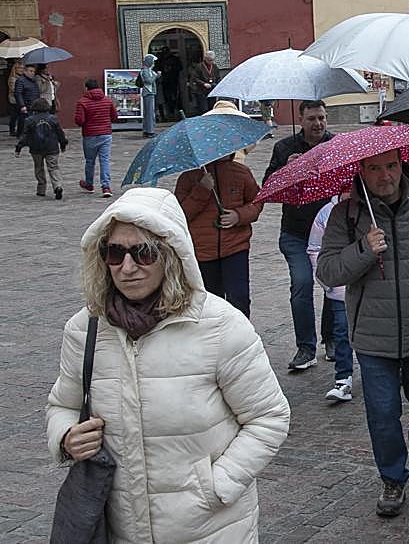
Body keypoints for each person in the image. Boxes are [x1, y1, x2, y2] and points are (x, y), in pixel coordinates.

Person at [46, 188, 290, 542]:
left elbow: (269, 417)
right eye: (115, 253)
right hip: (121, 528)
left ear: (170, 254)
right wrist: (66, 436)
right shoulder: (85, 329)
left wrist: (217, 486)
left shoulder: (221, 326)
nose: (127, 268)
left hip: (211, 530)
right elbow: (63, 405)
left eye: (142, 253)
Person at [316, 149, 409, 517]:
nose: (385, 176)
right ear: (361, 171)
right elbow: (328, 272)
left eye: (392, 166)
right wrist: (363, 250)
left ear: (403, 165)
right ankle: (392, 477)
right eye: (375, 168)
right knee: (383, 416)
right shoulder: (347, 215)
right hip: (371, 336)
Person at [264, 99, 335, 371]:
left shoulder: (334, 146)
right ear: (301, 120)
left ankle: (331, 340)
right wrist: (288, 170)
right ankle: (305, 347)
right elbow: (268, 188)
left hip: (330, 232)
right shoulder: (284, 148)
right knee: (302, 285)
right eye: (312, 119)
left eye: (322, 118)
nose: (318, 123)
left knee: (333, 287)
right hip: (295, 232)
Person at [175, 155, 264, 318]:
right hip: (202, 251)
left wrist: (239, 215)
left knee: (239, 297)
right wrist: (202, 190)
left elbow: (256, 201)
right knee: (210, 300)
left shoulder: (240, 173)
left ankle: (240, 336)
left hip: (235, 247)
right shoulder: (188, 178)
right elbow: (181, 214)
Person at [309, 195, 356, 403]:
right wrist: (329, 281)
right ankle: (343, 376)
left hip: (368, 287)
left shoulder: (371, 210)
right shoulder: (327, 213)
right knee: (342, 331)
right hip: (339, 287)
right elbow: (315, 249)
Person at [15, 97, 68, 199]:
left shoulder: (29, 120)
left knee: (39, 168)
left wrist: (18, 147)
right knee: (53, 167)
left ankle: (41, 189)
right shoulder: (53, 118)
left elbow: (24, 135)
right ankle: (57, 186)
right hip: (52, 147)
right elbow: (60, 133)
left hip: (36, 149)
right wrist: (63, 144)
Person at [74, 78, 119, 198]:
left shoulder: (82, 102)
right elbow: (114, 117)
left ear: (86, 88)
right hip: (105, 134)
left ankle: (89, 184)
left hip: (90, 135)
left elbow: (79, 121)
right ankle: (106, 187)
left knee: (90, 161)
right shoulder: (107, 100)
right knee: (104, 160)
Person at [187, 50, 220, 115]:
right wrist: (203, 84)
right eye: (209, 60)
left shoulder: (215, 67)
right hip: (202, 91)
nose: (211, 62)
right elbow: (195, 78)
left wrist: (215, 84)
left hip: (212, 90)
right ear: (205, 59)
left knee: (212, 108)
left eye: (212, 60)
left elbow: (218, 78)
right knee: (204, 109)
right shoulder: (199, 67)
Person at [13, 62, 39, 138]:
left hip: (34, 104)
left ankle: (30, 135)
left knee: (32, 121)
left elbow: (36, 92)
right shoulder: (20, 80)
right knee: (23, 121)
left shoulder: (33, 81)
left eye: (33, 71)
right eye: (30, 71)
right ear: (25, 71)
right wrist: (22, 105)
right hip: (25, 104)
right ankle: (20, 135)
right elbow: (18, 93)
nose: (32, 73)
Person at [138, 53, 160, 137]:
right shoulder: (145, 71)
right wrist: (157, 76)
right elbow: (149, 81)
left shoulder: (149, 70)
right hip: (148, 93)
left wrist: (157, 75)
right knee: (149, 113)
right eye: (153, 62)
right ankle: (150, 131)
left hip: (150, 93)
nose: (154, 63)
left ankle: (148, 130)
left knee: (149, 112)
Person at [6, 58, 22, 136]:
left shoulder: (21, 77)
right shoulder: (13, 78)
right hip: (14, 100)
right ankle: (12, 130)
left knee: (19, 115)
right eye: (19, 68)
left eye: (22, 68)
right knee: (14, 116)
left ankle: (18, 129)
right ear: (15, 69)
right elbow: (13, 89)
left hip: (20, 99)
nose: (21, 70)